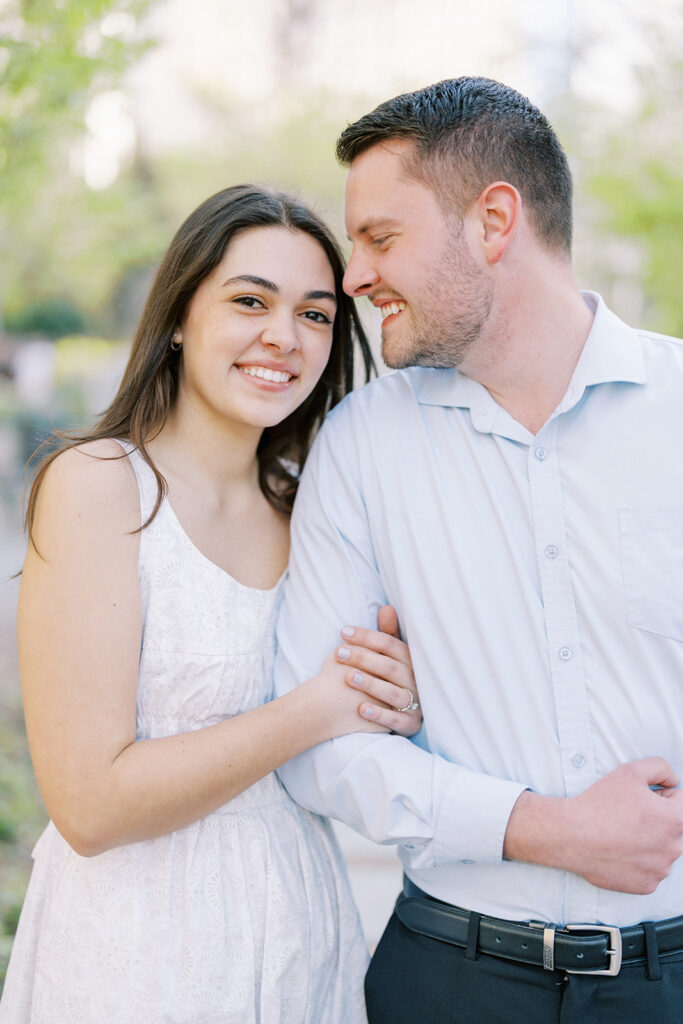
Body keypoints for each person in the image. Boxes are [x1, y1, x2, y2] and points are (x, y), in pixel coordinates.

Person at [273, 77, 683, 1023]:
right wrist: (550, 831)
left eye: (380, 238)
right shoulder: (361, 445)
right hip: (448, 978)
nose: (353, 279)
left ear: (493, 221)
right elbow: (316, 749)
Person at [0, 184, 423, 1024]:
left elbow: (372, 710)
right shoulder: (99, 486)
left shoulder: (317, 506)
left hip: (300, 924)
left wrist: (397, 696)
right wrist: (319, 709)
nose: (283, 335)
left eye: (313, 315)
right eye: (248, 301)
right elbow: (88, 804)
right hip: (139, 945)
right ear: (180, 317)